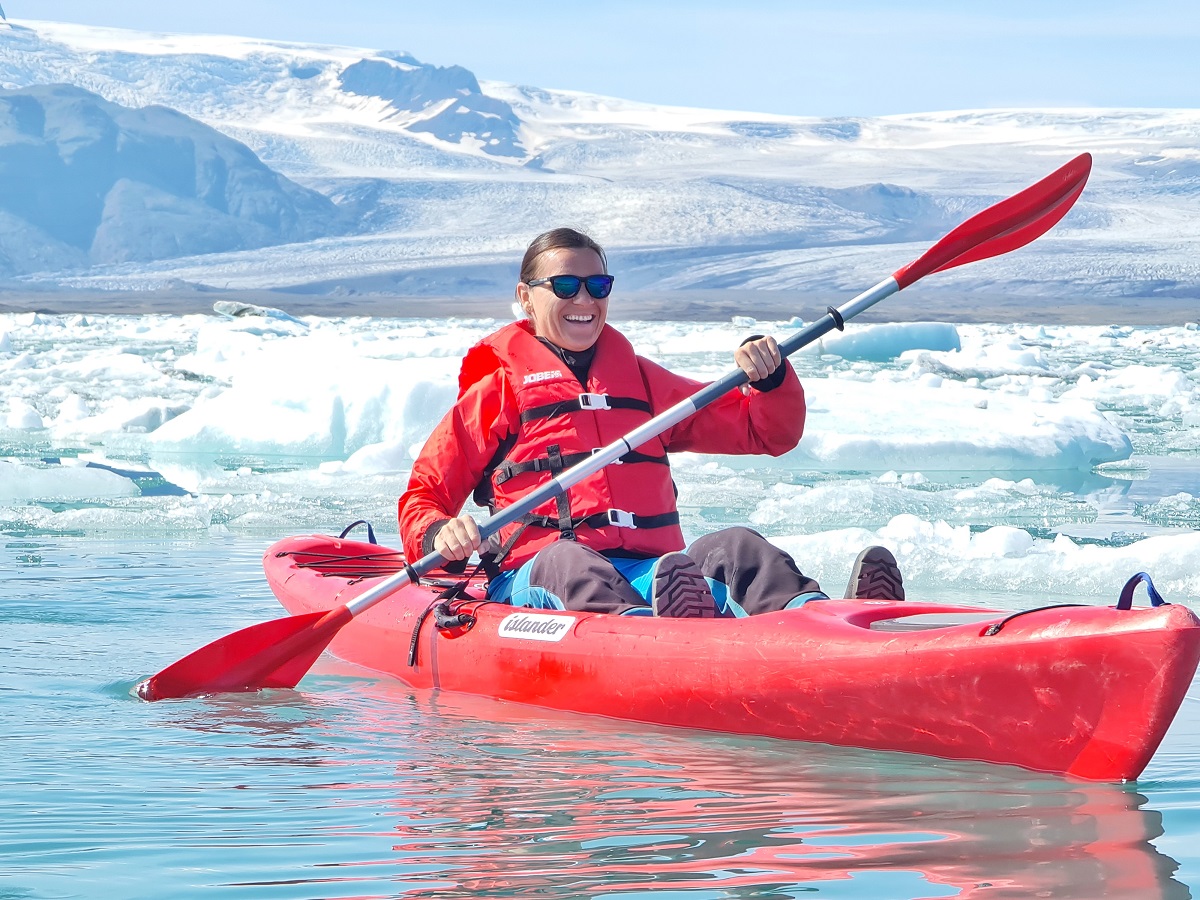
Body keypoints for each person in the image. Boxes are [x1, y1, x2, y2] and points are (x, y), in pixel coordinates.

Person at [398, 227, 903, 617]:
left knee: (738, 546)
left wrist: (769, 382)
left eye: (598, 285)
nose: (584, 300)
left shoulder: (642, 384)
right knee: (569, 560)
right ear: (526, 296)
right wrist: (442, 532)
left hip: (653, 572)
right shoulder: (498, 394)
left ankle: (825, 620)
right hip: (537, 575)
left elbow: (761, 431)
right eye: (566, 285)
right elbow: (424, 494)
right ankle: (651, 637)